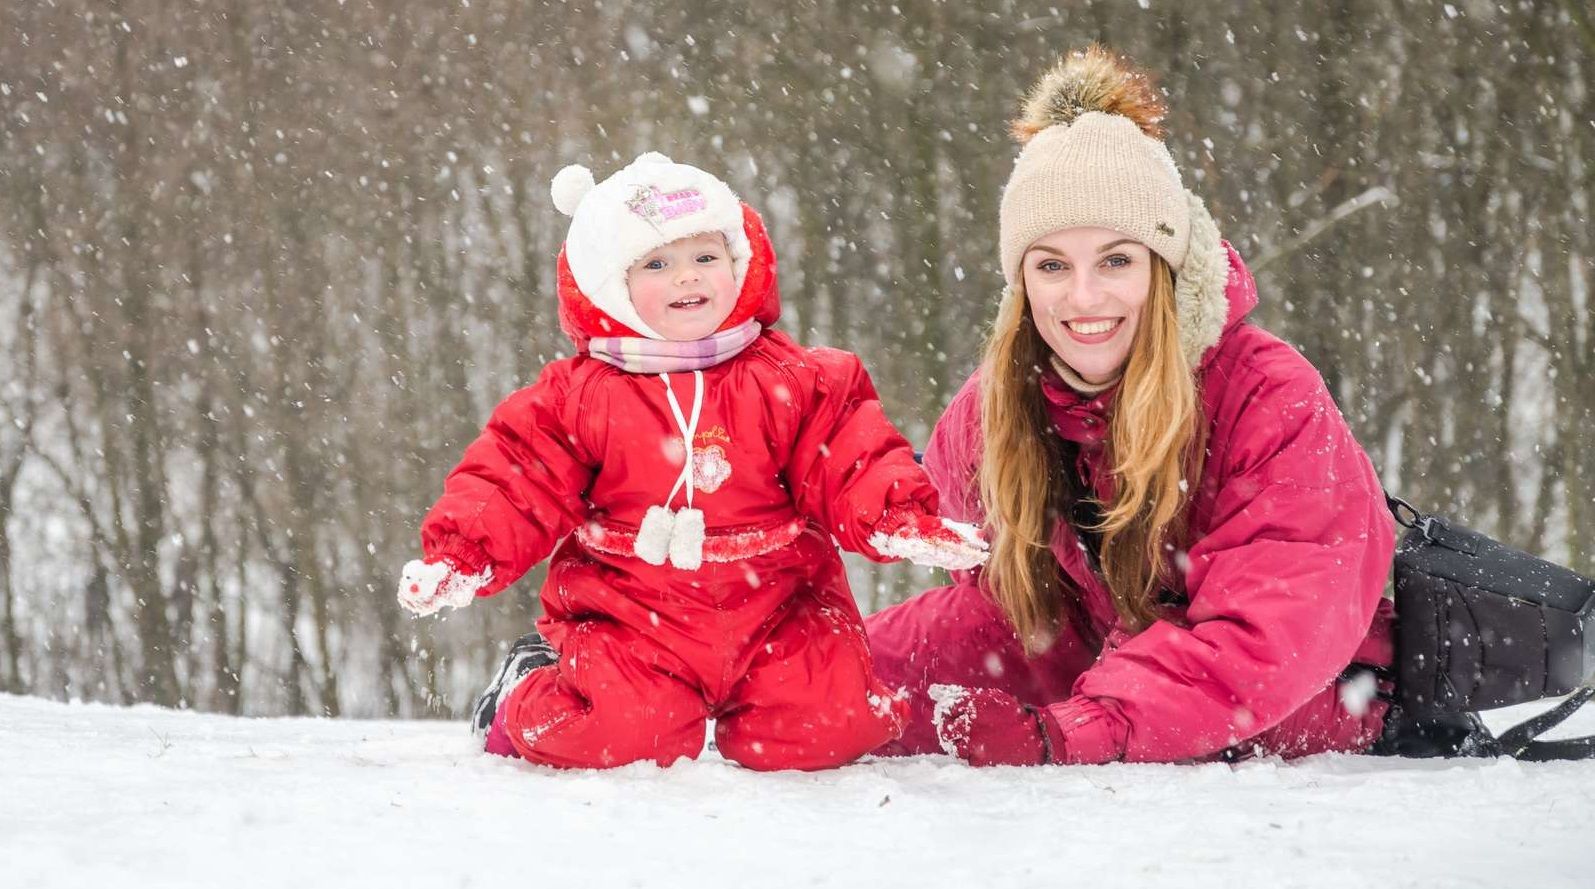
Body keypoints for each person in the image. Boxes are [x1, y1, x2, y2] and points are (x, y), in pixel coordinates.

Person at [863, 46, 1397, 766]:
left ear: (1166, 268)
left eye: (1116, 260)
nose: (1083, 298)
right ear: (1020, 283)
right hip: (1111, 682)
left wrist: (1072, 731)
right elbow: (1006, 614)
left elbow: (1263, 638)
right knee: (843, 686)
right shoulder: (992, 409)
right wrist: (827, 676)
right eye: (1052, 265)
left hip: (1296, 710)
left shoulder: (1269, 396)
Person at [396, 153, 987, 771]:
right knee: (622, 739)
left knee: (829, 730)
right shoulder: (581, 397)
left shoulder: (792, 378)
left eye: (706, 257)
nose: (687, 278)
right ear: (608, 284)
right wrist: (463, 554)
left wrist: (898, 514)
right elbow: (517, 475)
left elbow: (849, 452)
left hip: (778, 607)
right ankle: (521, 695)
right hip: (632, 616)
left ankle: (771, 710)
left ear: (741, 264)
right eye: (657, 263)